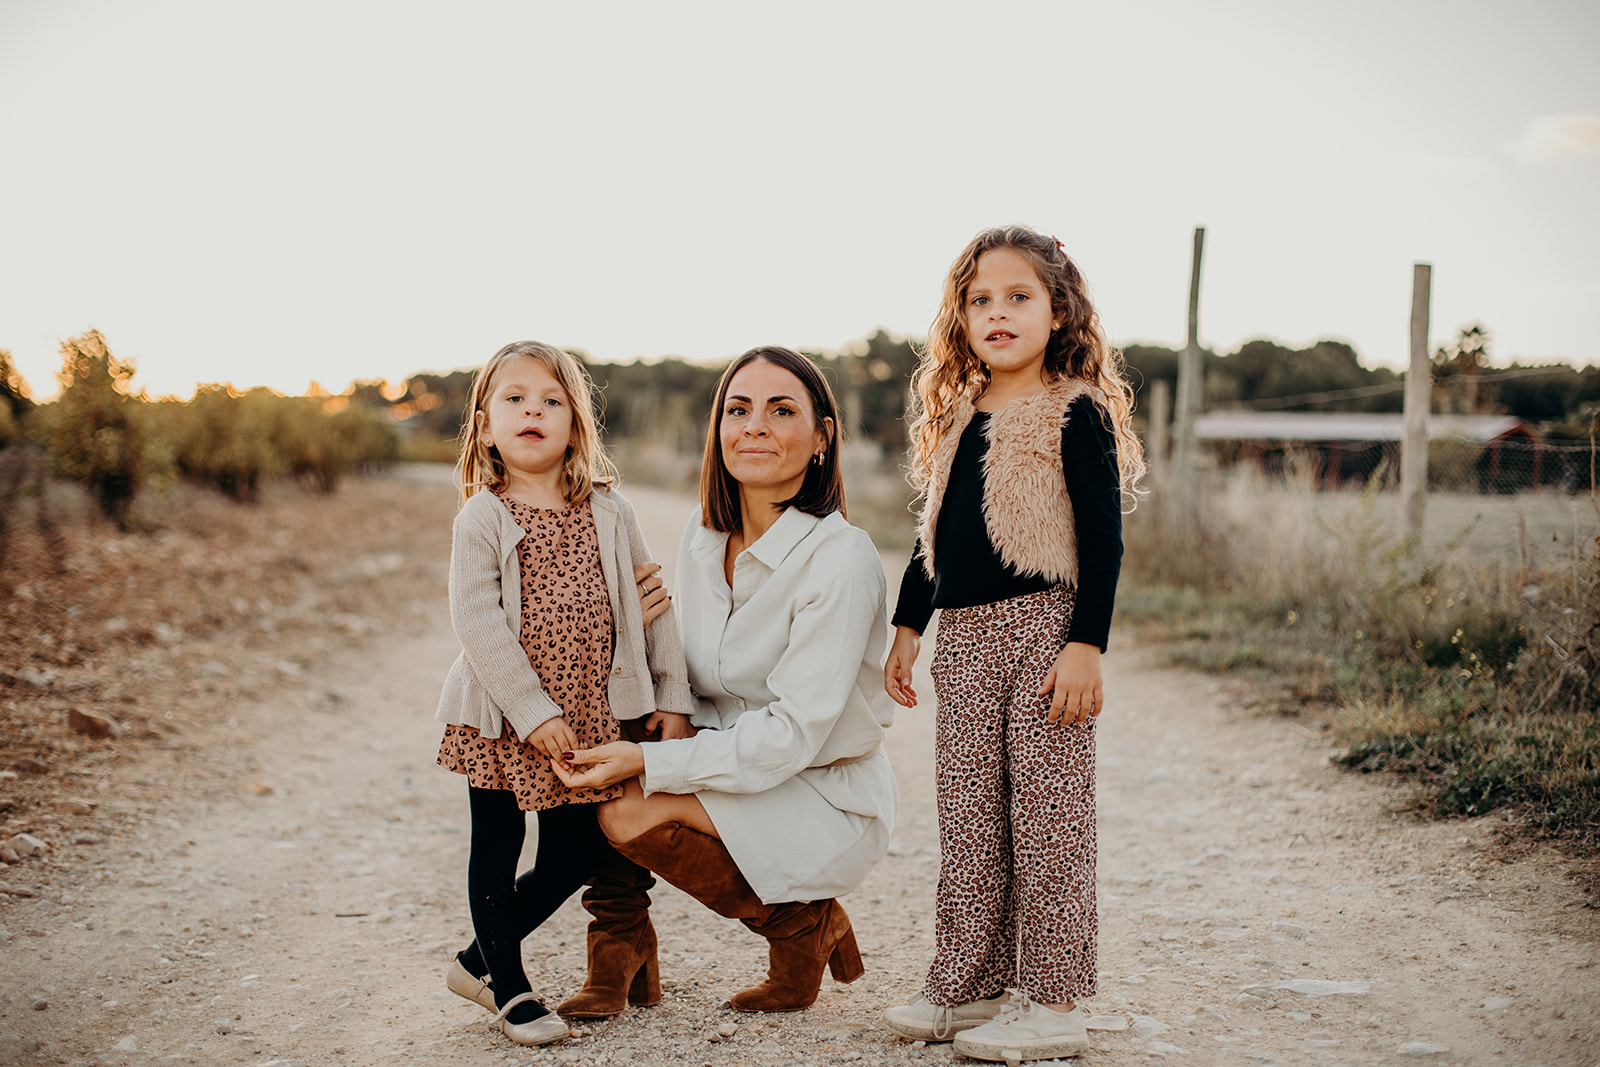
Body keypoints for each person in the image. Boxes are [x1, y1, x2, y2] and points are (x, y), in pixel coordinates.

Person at [554, 345, 897, 1013]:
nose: (755, 426)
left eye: (782, 410)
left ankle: (804, 926)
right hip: (730, 757)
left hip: (818, 790)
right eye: (738, 410)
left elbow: (792, 735)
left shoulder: (841, 558)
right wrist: (659, 692)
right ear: (718, 429)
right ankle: (620, 947)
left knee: (628, 804)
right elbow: (687, 663)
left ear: (822, 437)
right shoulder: (703, 532)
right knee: (605, 729)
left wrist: (655, 760)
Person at [879, 226, 1146, 1062]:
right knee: (969, 819)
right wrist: (907, 628)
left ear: (1058, 311)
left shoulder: (1075, 410)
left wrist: (1086, 643)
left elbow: (1102, 540)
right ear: (961, 318)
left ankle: (1056, 1001)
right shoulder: (960, 414)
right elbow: (933, 537)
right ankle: (971, 982)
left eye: (1018, 296)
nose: (998, 313)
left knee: (1048, 821)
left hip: (1044, 633)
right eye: (980, 299)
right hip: (963, 641)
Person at [433, 340, 695, 1046]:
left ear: (576, 425)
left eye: (552, 401)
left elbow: (651, 605)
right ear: (485, 425)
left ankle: (475, 960)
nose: (534, 412)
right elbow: (477, 622)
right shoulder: (483, 517)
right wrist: (532, 711)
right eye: (515, 399)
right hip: (502, 712)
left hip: (590, 712)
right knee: (497, 845)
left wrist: (671, 694)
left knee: (573, 854)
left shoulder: (610, 510)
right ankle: (510, 988)